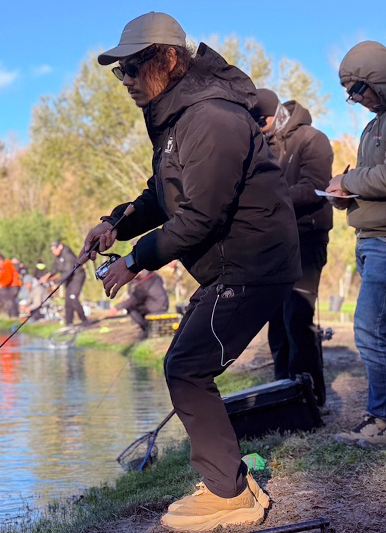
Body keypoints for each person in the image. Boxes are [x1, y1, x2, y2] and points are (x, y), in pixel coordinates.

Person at [82, 12, 301, 530]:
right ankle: (231, 480)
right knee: (187, 363)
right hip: (232, 264)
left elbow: (201, 216)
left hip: (254, 263)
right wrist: (116, 223)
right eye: (121, 72)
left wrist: (135, 262)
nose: (128, 81)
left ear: (170, 59)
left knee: (187, 367)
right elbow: (163, 196)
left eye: (134, 67)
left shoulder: (212, 118)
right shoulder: (177, 120)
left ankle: (230, 496)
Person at [326, 42, 386, 448]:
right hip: (369, 238)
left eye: (358, 90)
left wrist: (349, 182)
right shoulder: (372, 126)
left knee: (371, 331)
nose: (354, 100)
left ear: (379, 80)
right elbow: (372, 181)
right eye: (350, 94)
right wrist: (344, 197)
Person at [251, 88, 333, 406]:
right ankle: (283, 393)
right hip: (274, 245)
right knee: (275, 320)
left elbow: (315, 188)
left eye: (260, 119)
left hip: (308, 239)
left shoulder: (312, 139)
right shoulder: (260, 148)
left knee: (298, 317)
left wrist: (268, 199)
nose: (256, 126)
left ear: (276, 114)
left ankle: (310, 397)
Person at [110, 269, 169, 340]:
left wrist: (117, 308)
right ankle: (148, 328)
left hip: (154, 307)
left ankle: (147, 328)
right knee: (136, 306)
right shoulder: (155, 277)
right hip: (164, 305)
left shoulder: (146, 282)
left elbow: (134, 300)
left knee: (131, 309)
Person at [41, 241, 89, 326]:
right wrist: (47, 276)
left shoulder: (68, 255)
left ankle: (84, 320)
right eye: (52, 250)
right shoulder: (58, 257)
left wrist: (57, 282)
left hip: (77, 277)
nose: (53, 252)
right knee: (68, 301)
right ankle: (69, 323)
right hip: (69, 279)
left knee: (73, 297)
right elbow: (55, 269)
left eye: (54, 249)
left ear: (60, 247)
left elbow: (68, 272)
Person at [0, 252, 21, 318]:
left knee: (10, 300)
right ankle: (9, 314)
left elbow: (9, 278)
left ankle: (13, 315)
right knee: (6, 299)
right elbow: (0, 277)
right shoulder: (2, 268)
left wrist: (1, 285)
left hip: (14, 285)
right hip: (9, 285)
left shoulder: (7, 264)